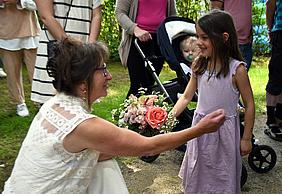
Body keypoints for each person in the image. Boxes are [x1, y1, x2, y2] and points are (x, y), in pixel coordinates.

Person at [2, 38, 225, 193]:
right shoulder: (84, 125)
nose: (109, 76)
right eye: (102, 70)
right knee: (106, 168)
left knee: (104, 163)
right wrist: (199, 129)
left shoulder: (53, 104)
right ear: (83, 82)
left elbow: (88, 155)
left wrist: (122, 143)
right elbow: (149, 147)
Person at [171, 10, 255, 193]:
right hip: (200, 129)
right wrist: (168, 118)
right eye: (198, 36)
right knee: (198, 172)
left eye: (204, 37)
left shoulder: (237, 70)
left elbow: (249, 104)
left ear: (224, 38)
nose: (198, 42)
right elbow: (186, 97)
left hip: (224, 133)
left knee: (222, 175)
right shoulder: (199, 65)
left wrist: (246, 138)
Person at [31, 0, 102, 104]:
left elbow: (96, 14)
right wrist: (72, 47)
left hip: (83, 52)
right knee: (52, 105)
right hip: (57, 52)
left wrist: (90, 49)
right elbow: (46, 16)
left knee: (81, 105)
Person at [115, 0, 177, 97]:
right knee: (138, 87)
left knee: (149, 86)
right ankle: (128, 111)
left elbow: (172, 15)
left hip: (159, 41)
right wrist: (135, 29)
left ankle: (146, 111)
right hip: (137, 39)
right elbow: (120, 13)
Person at [0, 0, 40, 117]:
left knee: (36, 70)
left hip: (30, 29)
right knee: (12, 71)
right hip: (5, 31)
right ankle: (19, 102)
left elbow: (39, 5)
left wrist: (19, 1)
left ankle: (40, 99)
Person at [210, 0, 253, 71]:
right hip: (228, 42)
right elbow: (215, 11)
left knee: (242, 77)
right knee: (225, 78)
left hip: (246, 42)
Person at [264, 0, 282, 138]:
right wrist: (270, 29)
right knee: (276, 76)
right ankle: (272, 120)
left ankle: (279, 118)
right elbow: (271, 3)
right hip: (280, 31)